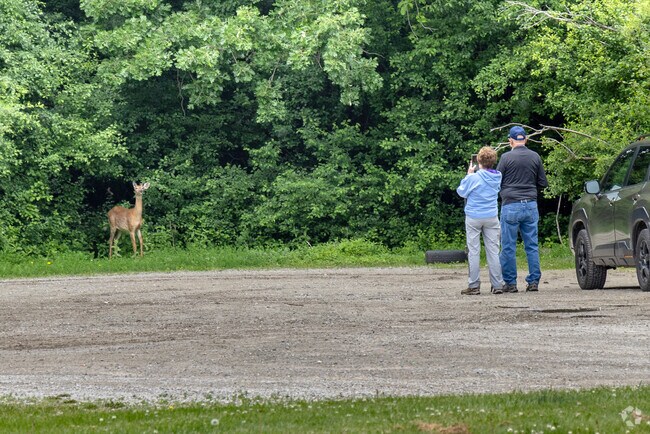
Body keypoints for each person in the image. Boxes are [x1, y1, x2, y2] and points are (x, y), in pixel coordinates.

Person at [497, 126, 548, 293]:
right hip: (530, 205)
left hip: (510, 204)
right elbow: (543, 182)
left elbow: (496, 181)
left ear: (510, 140)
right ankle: (533, 282)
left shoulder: (505, 157)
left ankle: (510, 283)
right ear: (525, 139)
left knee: (508, 246)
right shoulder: (535, 156)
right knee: (531, 245)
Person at [456, 146, 506, 295]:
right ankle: (497, 285)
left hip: (473, 216)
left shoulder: (473, 177)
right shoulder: (498, 176)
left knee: (474, 251)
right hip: (491, 216)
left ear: (478, 160)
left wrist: (468, 175)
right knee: (493, 251)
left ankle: (474, 285)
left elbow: (461, 192)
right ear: (493, 161)